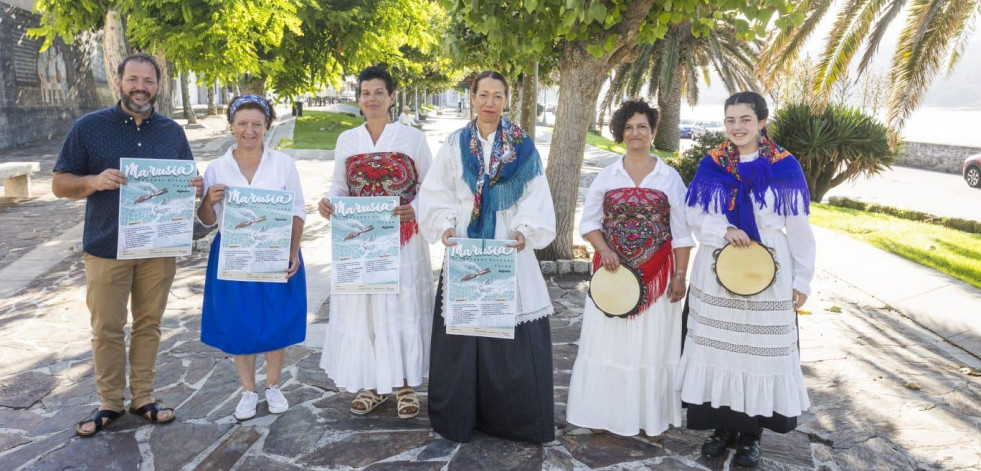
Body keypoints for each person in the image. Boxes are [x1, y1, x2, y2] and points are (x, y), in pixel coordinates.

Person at [52, 53, 203, 437]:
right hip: (107, 246)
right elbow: (59, 184)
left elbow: (188, 180)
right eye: (133, 79)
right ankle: (109, 402)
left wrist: (193, 186)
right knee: (107, 327)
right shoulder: (89, 127)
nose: (141, 87)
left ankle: (144, 398)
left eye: (148, 80)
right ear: (118, 82)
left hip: (158, 248)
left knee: (150, 324)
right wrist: (93, 181)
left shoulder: (171, 132)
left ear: (158, 85)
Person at [675, 91, 815, 467]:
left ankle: (751, 435)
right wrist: (723, 229)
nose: (737, 128)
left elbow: (799, 227)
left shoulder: (785, 165)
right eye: (730, 120)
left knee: (758, 355)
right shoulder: (714, 163)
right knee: (718, 349)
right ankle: (722, 428)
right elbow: (692, 216)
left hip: (768, 270)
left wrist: (802, 279)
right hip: (718, 267)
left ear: (762, 122)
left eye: (745, 120)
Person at [419, 70, 556, 443]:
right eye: (483, 94)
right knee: (464, 328)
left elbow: (535, 196)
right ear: (472, 98)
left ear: (507, 100)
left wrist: (524, 231)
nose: (490, 103)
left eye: (497, 96)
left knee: (509, 331)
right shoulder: (454, 144)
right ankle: (460, 416)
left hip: (508, 245)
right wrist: (445, 224)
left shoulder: (523, 146)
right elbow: (437, 191)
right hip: (465, 244)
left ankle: (512, 420)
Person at [565, 99, 693, 438]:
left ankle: (651, 418)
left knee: (651, 346)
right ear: (621, 133)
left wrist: (680, 277)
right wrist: (604, 249)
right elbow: (590, 223)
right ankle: (602, 413)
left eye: (642, 127)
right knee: (608, 343)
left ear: (652, 132)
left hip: (658, 278)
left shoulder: (670, 178)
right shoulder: (607, 175)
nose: (635, 133)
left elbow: (682, 233)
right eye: (629, 127)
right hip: (611, 278)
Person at [318, 65, 433, 419]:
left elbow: (431, 187)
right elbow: (340, 187)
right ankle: (372, 383)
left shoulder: (412, 139)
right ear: (359, 98)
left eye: (379, 92)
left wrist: (414, 208)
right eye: (366, 93)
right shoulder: (347, 140)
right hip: (360, 244)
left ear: (392, 97)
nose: (372, 99)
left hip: (402, 242)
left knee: (401, 307)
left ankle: (403, 385)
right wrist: (328, 201)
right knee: (365, 310)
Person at [198, 94, 307, 421]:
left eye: (256, 124)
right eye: (242, 123)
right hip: (234, 254)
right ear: (231, 126)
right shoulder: (217, 167)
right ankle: (248, 390)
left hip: (275, 250)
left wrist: (293, 251)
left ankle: (273, 386)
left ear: (266, 127)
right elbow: (206, 220)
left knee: (275, 318)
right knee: (238, 321)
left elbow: (297, 210)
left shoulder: (283, 164)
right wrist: (208, 200)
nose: (249, 130)